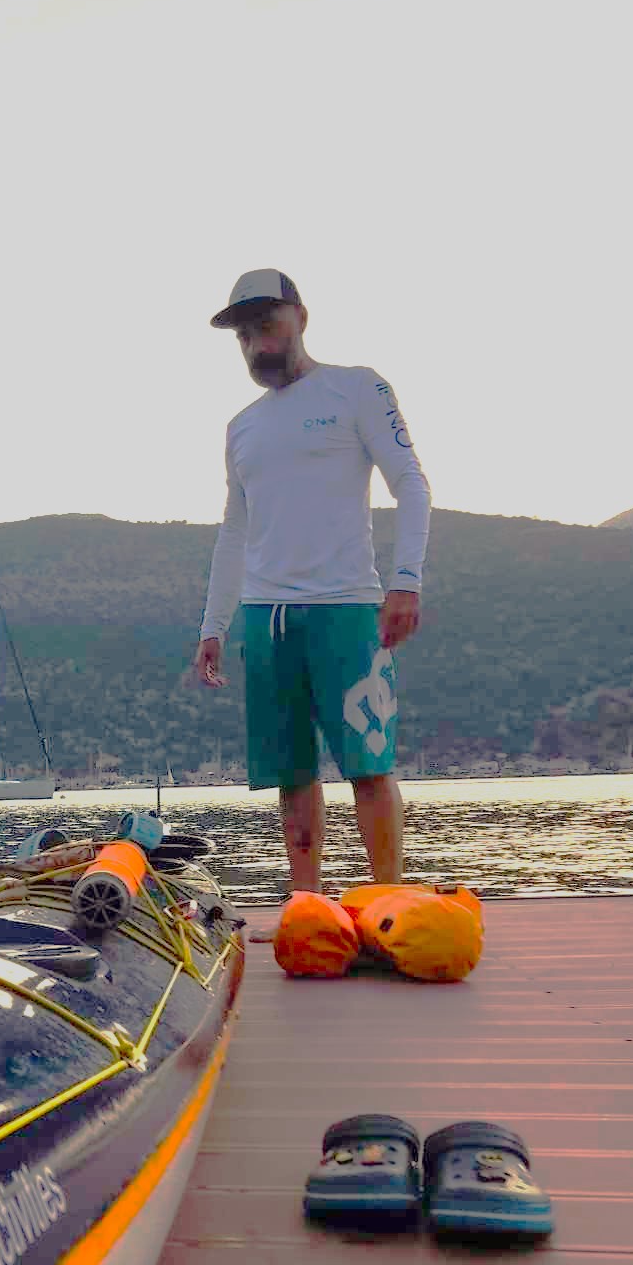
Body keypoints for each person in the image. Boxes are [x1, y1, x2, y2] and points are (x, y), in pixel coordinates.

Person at [190, 268, 431, 912]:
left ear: (300, 316)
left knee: (369, 764)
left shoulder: (357, 388)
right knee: (291, 774)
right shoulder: (242, 426)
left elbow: (411, 483)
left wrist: (406, 581)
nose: (256, 343)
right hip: (266, 619)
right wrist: (214, 625)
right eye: (243, 335)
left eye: (266, 325)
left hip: (347, 609)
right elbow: (235, 530)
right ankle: (308, 906)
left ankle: (388, 902)